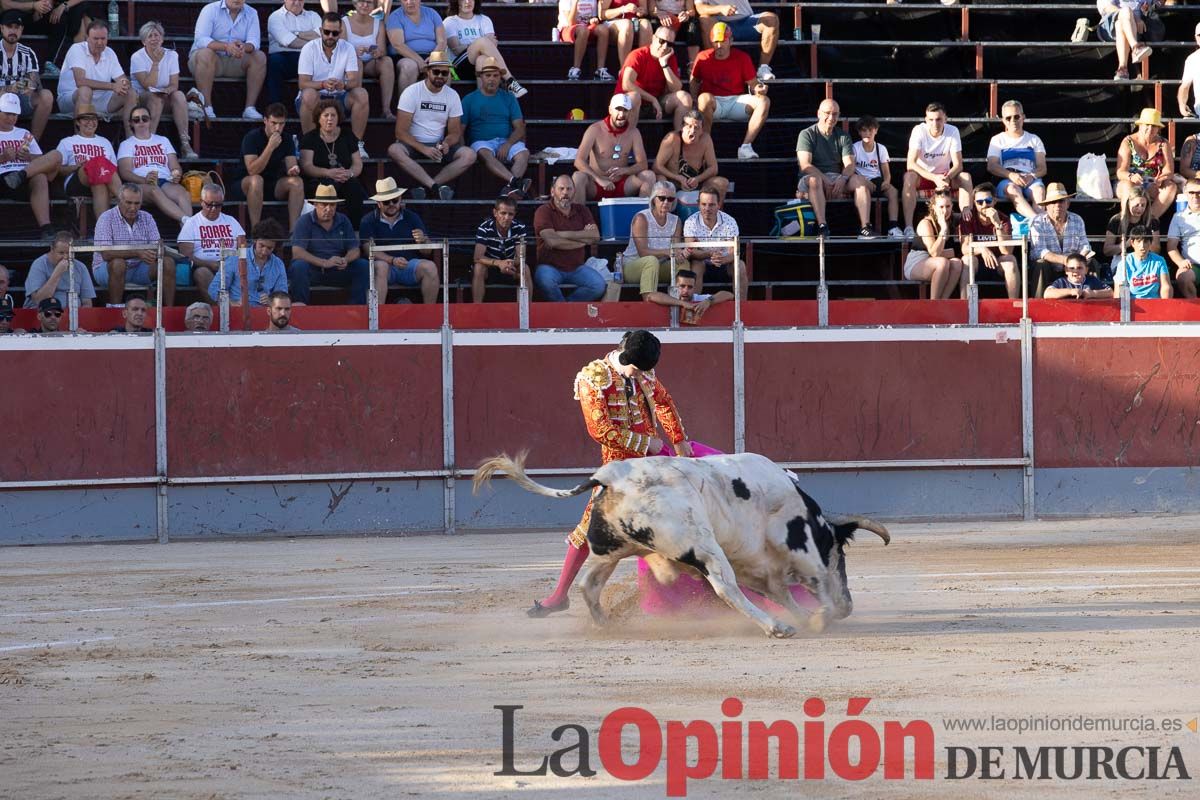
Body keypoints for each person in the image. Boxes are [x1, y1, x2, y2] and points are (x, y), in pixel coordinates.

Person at [526, 329, 692, 617]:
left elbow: (664, 402)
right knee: (590, 528)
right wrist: (646, 442)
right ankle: (560, 594)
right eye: (637, 370)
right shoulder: (595, 378)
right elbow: (600, 430)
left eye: (644, 371)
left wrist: (678, 440)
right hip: (618, 468)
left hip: (655, 463)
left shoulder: (645, 372)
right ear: (624, 356)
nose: (641, 376)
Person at [387, 50, 475, 201]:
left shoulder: (452, 95)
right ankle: (434, 187)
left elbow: (455, 132)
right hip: (413, 143)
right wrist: (424, 149)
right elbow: (400, 132)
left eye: (444, 73)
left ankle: (430, 185)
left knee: (469, 155)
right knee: (394, 149)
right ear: (428, 71)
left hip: (438, 144)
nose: (440, 76)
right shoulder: (411, 92)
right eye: (436, 72)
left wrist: (447, 143)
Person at [796, 99, 875, 239]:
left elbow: (850, 164)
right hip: (812, 178)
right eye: (827, 113)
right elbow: (805, 165)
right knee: (815, 181)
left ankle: (865, 227)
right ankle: (822, 226)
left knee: (859, 181)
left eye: (835, 114)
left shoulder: (843, 135)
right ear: (818, 113)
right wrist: (825, 180)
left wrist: (843, 178)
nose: (831, 118)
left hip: (836, 178)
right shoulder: (806, 134)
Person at [690, 22, 768, 160]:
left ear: (731, 41)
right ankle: (704, 147)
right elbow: (694, 80)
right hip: (713, 104)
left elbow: (753, 84)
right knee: (704, 98)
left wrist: (759, 89)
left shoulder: (742, 57)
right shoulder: (702, 57)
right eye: (716, 41)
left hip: (736, 101)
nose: (719, 45)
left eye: (723, 41)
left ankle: (745, 146)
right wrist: (694, 99)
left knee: (764, 102)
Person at [298, 13, 371, 159]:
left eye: (335, 33)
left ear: (340, 33)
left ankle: (356, 145)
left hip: (339, 96)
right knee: (308, 94)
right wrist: (323, 84)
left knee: (361, 94)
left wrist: (342, 85)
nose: (330, 36)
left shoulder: (348, 48)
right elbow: (303, 83)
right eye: (326, 32)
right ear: (320, 31)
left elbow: (354, 82)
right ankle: (309, 145)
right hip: (315, 97)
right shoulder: (309, 48)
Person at [93, 184, 176, 307]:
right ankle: (115, 309)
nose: (133, 208)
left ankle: (169, 310)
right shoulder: (106, 218)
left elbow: (155, 245)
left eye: (137, 203)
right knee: (118, 263)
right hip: (105, 269)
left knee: (168, 263)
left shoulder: (147, 217)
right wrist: (137, 252)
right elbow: (106, 254)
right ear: (119, 201)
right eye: (128, 203)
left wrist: (158, 251)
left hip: (139, 267)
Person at [360, 176, 439, 304]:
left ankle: (429, 315)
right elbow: (368, 250)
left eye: (394, 200)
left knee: (430, 267)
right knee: (380, 266)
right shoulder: (368, 220)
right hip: (386, 267)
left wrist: (423, 241)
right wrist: (392, 260)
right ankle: (376, 319)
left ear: (400, 199)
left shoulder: (412, 217)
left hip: (409, 265)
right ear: (379, 204)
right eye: (386, 202)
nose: (391, 204)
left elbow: (427, 251)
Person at [461, 56, 530, 199]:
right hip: (481, 142)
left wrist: (508, 144)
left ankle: (509, 189)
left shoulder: (509, 98)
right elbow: (460, 130)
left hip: (506, 140)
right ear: (481, 77)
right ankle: (515, 182)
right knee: (484, 152)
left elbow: (519, 127)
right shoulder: (469, 99)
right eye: (488, 75)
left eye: (495, 75)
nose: (491, 79)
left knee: (524, 154)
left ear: (500, 78)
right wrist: (463, 149)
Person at [289, 183, 370, 304]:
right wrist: (324, 263)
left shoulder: (343, 220)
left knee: (363, 265)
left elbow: (355, 250)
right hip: (313, 270)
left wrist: (345, 259)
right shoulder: (304, 221)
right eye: (324, 204)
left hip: (338, 269)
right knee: (298, 266)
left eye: (332, 204)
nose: (328, 208)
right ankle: (300, 308)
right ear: (315, 204)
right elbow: (297, 252)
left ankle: (356, 310)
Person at [902, 102, 972, 239]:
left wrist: (947, 177)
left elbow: (958, 165)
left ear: (945, 118)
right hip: (924, 177)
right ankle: (909, 227)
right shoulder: (918, 131)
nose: (935, 123)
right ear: (926, 120)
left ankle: (966, 224)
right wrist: (934, 178)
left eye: (939, 119)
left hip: (945, 177)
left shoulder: (953, 131)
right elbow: (910, 163)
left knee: (966, 177)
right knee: (909, 177)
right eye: (931, 120)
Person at [189, 0, 267, 120]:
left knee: (259, 56)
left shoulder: (252, 12)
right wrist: (226, 46)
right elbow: (201, 40)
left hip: (236, 58)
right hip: (209, 59)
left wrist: (242, 47)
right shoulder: (210, 9)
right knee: (205, 53)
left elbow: (254, 42)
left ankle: (249, 108)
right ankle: (207, 106)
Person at [533, 174, 606, 302]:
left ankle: (567, 308)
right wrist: (583, 240)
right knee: (545, 281)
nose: (565, 192)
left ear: (574, 191)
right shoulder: (543, 211)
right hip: (550, 267)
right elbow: (552, 241)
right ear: (552, 191)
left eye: (569, 189)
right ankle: (563, 312)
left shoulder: (582, 210)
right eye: (561, 189)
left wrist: (561, 234)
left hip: (577, 267)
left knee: (598, 285)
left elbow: (595, 236)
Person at [117, 103, 193, 225]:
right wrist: (144, 179)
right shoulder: (127, 144)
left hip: (164, 180)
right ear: (131, 123)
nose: (141, 122)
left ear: (150, 121)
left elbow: (174, 165)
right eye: (136, 120)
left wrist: (176, 173)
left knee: (183, 194)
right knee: (154, 190)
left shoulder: (163, 140)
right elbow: (124, 172)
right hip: (139, 183)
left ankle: (187, 234)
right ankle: (189, 223)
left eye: (145, 118)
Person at [129, 21, 196, 158]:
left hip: (163, 96)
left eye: (157, 35)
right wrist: (155, 63)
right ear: (144, 41)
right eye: (150, 36)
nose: (154, 38)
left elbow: (174, 84)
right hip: (142, 99)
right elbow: (147, 85)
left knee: (178, 95)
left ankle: (185, 143)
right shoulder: (137, 57)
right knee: (155, 97)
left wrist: (166, 91)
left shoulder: (172, 55)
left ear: (162, 38)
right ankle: (148, 142)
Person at [571, 92, 655, 201]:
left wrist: (625, 170)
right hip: (597, 185)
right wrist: (598, 179)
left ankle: (642, 216)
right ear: (610, 110)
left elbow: (643, 164)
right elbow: (578, 161)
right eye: (618, 109)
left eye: (625, 110)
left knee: (649, 176)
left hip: (622, 185)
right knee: (578, 177)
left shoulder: (633, 132)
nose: (621, 114)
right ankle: (579, 217)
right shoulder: (595, 129)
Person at [238, 102, 305, 229]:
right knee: (257, 180)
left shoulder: (287, 138)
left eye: (281, 124)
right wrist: (270, 147)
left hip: (273, 183)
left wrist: (293, 170)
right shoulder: (252, 137)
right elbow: (252, 170)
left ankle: (294, 232)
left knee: (297, 182)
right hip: (246, 182)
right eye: (274, 123)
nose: (277, 128)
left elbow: (291, 165)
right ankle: (256, 230)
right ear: (265, 121)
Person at [300, 98, 367, 224]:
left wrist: (349, 173)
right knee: (326, 187)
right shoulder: (310, 138)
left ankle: (356, 229)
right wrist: (328, 173)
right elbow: (307, 166)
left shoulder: (347, 135)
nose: (330, 119)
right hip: (319, 179)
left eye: (333, 115)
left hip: (344, 177)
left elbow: (357, 163)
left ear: (338, 118)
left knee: (355, 187)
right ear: (318, 118)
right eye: (326, 115)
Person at [178, 183, 246, 303]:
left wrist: (233, 263)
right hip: (204, 267)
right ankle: (225, 308)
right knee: (201, 273)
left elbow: (243, 248)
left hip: (231, 267)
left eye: (218, 205)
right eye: (209, 205)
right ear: (201, 202)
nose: (214, 208)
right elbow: (185, 256)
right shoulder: (191, 223)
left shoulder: (231, 221)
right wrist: (210, 264)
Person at [443, 0, 525, 97]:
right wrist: (478, 45)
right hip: (458, 68)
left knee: (481, 59)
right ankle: (510, 80)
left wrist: (478, 46)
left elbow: (492, 45)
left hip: (481, 66)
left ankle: (482, 101)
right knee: (482, 42)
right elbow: (457, 49)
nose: (467, 2)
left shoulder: (484, 20)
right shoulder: (450, 21)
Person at [1029, 182, 1096, 298]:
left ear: (1068, 203)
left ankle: (1094, 300)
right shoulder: (1037, 221)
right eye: (1053, 202)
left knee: (1092, 262)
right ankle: (1038, 304)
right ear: (1046, 206)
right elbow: (1039, 251)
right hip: (1050, 267)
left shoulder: (1077, 219)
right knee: (1040, 264)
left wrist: (1078, 262)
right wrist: (1066, 261)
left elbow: (1085, 246)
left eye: (1061, 201)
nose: (1057, 205)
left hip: (1075, 266)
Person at [0, 91, 52, 238]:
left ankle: (46, 227)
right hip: (1, 176)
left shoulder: (24, 132)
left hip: (22, 176)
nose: (11, 118)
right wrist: (2, 157)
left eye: (14, 115)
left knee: (41, 176)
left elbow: (41, 160)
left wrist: (29, 157)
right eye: (7, 114)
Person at [618, 25, 691, 129]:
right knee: (635, 97)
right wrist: (652, 99)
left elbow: (676, 88)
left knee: (685, 97)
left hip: (656, 105)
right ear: (653, 38)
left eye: (669, 44)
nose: (665, 46)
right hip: (629, 104)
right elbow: (626, 84)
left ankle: (678, 138)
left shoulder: (669, 58)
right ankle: (628, 139)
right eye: (662, 41)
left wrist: (664, 64)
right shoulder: (638, 55)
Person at [985, 100, 1046, 220]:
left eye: (1016, 116)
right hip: (1007, 181)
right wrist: (1011, 175)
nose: (1013, 121)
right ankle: (1037, 221)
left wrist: (1031, 176)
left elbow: (1042, 168)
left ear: (1023, 117)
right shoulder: (997, 140)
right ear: (1003, 121)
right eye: (1008, 118)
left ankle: (1036, 226)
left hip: (1031, 179)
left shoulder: (1034, 139)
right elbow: (991, 166)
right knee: (1013, 189)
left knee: (1039, 191)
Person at [622, 179, 682, 298]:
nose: (666, 202)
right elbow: (643, 252)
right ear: (654, 199)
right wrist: (667, 252)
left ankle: (679, 302)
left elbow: (675, 251)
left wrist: (681, 253)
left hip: (660, 266)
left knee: (682, 263)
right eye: (662, 198)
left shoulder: (676, 220)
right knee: (651, 260)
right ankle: (648, 303)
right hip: (633, 266)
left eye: (670, 199)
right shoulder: (641, 218)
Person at [682, 187, 746, 297]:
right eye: (704, 204)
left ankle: (742, 307)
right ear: (698, 204)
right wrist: (709, 254)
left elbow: (735, 251)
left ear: (718, 205)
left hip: (725, 262)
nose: (707, 208)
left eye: (711, 205)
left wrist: (723, 259)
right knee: (696, 265)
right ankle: (693, 307)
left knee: (740, 265)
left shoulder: (729, 221)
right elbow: (691, 251)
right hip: (702, 260)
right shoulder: (690, 222)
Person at [653, 109, 727, 203]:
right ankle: (663, 216)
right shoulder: (672, 139)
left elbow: (713, 168)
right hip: (674, 183)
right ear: (682, 127)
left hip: (697, 183)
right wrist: (677, 178)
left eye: (696, 128)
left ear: (702, 130)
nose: (692, 131)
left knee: (722, 183)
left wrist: (698, 179)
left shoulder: (706, 139)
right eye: (689, 126)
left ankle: (715, 216)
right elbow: (657, 167)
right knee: (661, 181)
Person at [959, 183, 1018, 299]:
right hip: (977, 263)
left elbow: (1007, 251)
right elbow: (964, 249)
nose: (984, 205)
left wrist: (997, 225)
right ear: (974, 203)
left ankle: (1014, 305)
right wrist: (982, 249)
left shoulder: (1003, 219)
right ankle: (963, 306)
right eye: (979, 202)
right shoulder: (968, 218)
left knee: (1011, 260)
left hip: (997, 263)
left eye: (988, 200)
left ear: (995, 201)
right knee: (967, 259)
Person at [694, 0, 778, 82]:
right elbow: (700, 8)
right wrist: (720, 9)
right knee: (704, 19)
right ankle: (714, 67)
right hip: (720, 24)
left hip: (747, 21)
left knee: (772, 19)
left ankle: (763, 68)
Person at [0, 10, 53, 140]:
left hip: (20, 98)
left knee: (46, 96)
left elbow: (34, 82)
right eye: (9, 27)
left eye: (16, 27)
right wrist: (10, 89)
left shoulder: (28, 53)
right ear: (1, 28)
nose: (13, 31)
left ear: (22, 29)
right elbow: (26, 84)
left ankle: (30, 145)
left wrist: (16, 88)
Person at [1115, 108, 1175, 220]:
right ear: (1140, 125)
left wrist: (1161, 178)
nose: (1150, 128)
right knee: (1129, 186)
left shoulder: (1164, 143)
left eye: (1154, 125)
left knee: (1171, 187)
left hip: (1151, 183)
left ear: (1158, 128)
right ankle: (1126, 222)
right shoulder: (1128, 141)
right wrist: (1131, 176)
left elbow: (1169, 170)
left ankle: (1148, 221)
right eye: (1147, 124)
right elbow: (1120, 171)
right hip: (1129, 182)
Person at [1, 0, 87, 78]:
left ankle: (49, 63)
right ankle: (9, 63)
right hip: (14, 14)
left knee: (59, 17)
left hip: (35, 15)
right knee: (12, 19)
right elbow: (5, 4)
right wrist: (33, 5)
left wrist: (44, 7)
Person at [213, 219, 289, 306]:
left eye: (269, 248)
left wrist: (272, 301)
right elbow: (214, 288)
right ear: (255, 240)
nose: (264, 251)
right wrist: (231, 303)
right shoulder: (235, 258)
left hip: (265, 312)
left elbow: (282, 294)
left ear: (275, 247)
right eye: (262, 245)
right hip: (238, 311)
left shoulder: (278, 264)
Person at [904, 191, 962, 299]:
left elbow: (954, 252)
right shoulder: (925, 223)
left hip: (936, 260)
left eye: (948, 206)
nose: (945, 211)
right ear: (934, 207)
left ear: (952, 206)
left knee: (957, 263)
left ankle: (943, 301)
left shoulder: (953, 220)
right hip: (917, 262)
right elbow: (935, 253)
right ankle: (933, 303)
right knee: (942, 263)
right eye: (941, 207)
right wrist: (943, 230)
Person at [852, 115, 902, 239]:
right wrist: (865, 182)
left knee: (893, 192)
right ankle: (865, 228)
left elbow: (886, 171)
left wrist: (887, 181)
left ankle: (893, 227)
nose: (867, 133)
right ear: (859, 132)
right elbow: (851, 170)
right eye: (864, 130)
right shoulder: (855, 148)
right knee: (862, 190)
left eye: (870, 130)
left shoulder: (881, 148)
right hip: (861, 180)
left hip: (876, 180)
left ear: (876, 130)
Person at [344, 0, 396, 118]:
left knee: (387, 61)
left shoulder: (379, 23)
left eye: (369, 2)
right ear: (355, 3)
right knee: (357, 62)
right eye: (361, 1)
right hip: (349, 65)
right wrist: (353, 52)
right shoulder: (344, 22)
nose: (365, 5)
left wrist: (377, 52)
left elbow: (382, 50)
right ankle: (358, 105)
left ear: (374, 5)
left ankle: (386, 110)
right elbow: (340, 50)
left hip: (370, 62)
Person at [472, 195, 529, 303]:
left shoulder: (519, 227)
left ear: (514, 214)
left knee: (525, 268)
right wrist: (499, 263)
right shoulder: (485, 227)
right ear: (495, 213)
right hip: (491, 267)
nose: (507, 217)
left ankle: (526, 312)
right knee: (479, 268)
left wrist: (508, 264)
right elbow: (477, 257)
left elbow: (521, 256)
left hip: (511, 267)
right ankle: (477, 309)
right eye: (503, 213)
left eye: (510, 214)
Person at [266, 0, 321, 105]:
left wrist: (295, 33)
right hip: (284, 59)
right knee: (274, 62)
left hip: (309, 57)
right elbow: (290, 42)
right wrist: (312, 40)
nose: (297, 2)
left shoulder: (313, 16)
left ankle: (316, 104)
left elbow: (322, 35)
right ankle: (275, 106)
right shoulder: (275, 17)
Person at [386, 0, 446, 95]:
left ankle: (439, 106)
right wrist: (420, 61)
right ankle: (405, 107)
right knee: (409, 67)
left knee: (442, 68)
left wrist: (433, 58)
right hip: (405, 56)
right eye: (405, 0)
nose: (409, 2)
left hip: (430, 55)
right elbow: (398, 45)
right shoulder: (395, 16)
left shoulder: (432, 13)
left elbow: (442, 41)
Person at [24, 230, 95, 308]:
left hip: (73, 315)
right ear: (52, 249)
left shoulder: (81, 267)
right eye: (61, 253)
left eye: (69, 253)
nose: (65, 257)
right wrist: (57, 272)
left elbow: (87, 303)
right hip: (45, 315)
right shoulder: (39, 264)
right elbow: (38, 300)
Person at [1103, 185, 1158, 281]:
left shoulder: (1152, 221)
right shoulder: (1117, 220)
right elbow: (1107, 250)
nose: (1140, 209)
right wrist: (1125, 245)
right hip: (1123, 259)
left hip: (1146, 258)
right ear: (1128, 203)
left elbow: (1157, 249)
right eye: (1136, 205)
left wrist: (1146, 244)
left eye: (1143, 205)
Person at [642, 267, 733, 324]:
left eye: (690, 287)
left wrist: (708, 301)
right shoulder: (670, 298)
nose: (685, 290)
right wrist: (682, 303)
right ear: (675, 285)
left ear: (694, 287)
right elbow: (650, 296)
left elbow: (729, 294)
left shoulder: (698, 298)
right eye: (682, 286)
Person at [1099, 0, 1157, 81]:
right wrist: (1134, 17)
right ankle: (1135, 47)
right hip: (1109, 25)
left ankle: (1122, 70)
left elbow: (1153, 5)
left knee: (1119, 24)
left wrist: (1147, 9)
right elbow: (1107, 7)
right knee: (1126, 10)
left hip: (1134, 28)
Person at [557, 0, 614, 81]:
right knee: (583, 31)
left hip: (586, 27)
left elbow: (592, 19)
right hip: (567, 29)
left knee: (603, 29)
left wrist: (593, 20)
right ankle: (575, 69)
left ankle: (600, 70)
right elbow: (571, 22)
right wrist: (575, 2)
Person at [1114, 224, 1171, 299]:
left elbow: (1165, 286)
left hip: (1155, 305)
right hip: (1134, 307)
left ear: (1150, 243)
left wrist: (1165, 305)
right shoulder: (1123, 264)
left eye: (1146, 242)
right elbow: (1118, 293)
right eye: (1138, 241)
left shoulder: (1159, 261)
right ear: (1132, 243)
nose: (1142, 246)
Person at [1166, 177, 1200, 298]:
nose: (1195, 196)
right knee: (1183, 276)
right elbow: (1171, 247)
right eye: (1192, 192)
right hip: (1194, 266)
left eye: (1199, 192)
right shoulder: (1179, 217)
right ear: (1186, 193)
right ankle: (1196, 312)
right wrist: (1181, 262)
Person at [600, 0, 651, 68]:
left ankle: (643, 67)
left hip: (633, 22)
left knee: (646, 24)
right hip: (613, 22)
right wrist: (623, 9)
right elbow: (602, 14)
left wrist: (641, 11)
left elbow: (645, 10)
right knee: (627, 24)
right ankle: (625, 69)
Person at [1045, 252, 1113, 300]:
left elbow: (1110, 292)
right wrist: (1070, 291)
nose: (1075, 271)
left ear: (1086, 270)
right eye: (1071, 268)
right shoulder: (1061, 282)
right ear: (1066, 270)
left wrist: (1093, 293)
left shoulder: (1092, 280)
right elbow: (1047, 293)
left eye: (1079, 268)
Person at [1177, 22, 1200, 118]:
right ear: (1196, 37)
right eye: (1199, 35)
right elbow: (1184, 87)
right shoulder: (1192, 59)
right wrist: (1182, 105)